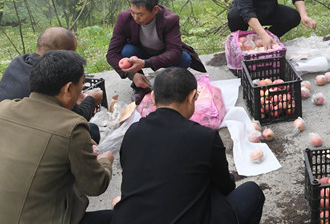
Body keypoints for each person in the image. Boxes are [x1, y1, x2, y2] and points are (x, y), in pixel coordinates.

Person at [112, 67, 265, 224]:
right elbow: (225, 187)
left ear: (153, 97)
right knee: (251, 192)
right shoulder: (205, 137)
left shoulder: (132, 133)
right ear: (192, 96)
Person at [0, 50, 114, 224]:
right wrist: (105, 161)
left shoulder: (4, 108)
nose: (82, 92)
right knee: (125, 216)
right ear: (68, 89)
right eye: (81, 86)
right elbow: (95, 185)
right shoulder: (72, 127)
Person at [0, 27, 104, 142]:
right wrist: (91, 99)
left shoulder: (18, 62)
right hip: (25, 137)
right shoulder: (52, 75)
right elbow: (77, 117)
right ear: (64, 54)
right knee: (91, 130)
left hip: (8, 125)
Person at [106, 0, 207, 104]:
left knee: (184, 58)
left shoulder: (170, 19)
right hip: (140, 50)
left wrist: (146, 63)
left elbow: (174, 51)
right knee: (127, 51)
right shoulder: (124, 18)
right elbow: (112, 54)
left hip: (162, 51)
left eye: (140, 14)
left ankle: (169, 83)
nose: (135, 18)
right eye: (133, 12)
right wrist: (132, 74)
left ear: (155, 10)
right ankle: (140, 86)